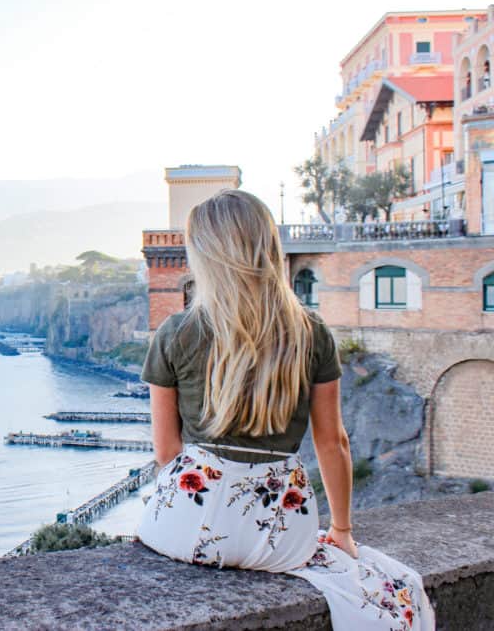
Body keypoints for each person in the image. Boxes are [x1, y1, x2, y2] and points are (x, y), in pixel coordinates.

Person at [135, 190, 434, 630]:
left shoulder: (177, 331)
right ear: (268, 248)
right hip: (280, 535)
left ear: (206, 257)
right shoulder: (310, 333)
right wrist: (343, 532)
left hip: (183, 527)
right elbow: (333, 442)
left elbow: (166, 452)